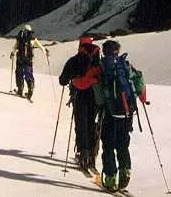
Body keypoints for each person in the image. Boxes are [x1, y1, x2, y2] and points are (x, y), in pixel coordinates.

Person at [94, 39, 147, 192]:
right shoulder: (126, 64)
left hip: (110, 114)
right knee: (123, 145)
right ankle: (125, 171)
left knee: (109, 146)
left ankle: (110, 178)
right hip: (127, 112)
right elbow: (138, 81)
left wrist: (100, 106)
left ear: (105, 51)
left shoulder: (102, 66)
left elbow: (99, 94)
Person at [58, 36, 102, 172]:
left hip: (79, 96)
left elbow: (62, 80)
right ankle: (92, 154)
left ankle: (83, 153)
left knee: (80, 123)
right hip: (95, 97)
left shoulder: (74, 60)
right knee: (91, 123)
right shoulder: (98, 62)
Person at [10, 24, 48, 100]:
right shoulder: (33, 39)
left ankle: (20, 89)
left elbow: (15, 47)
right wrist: (45, 52)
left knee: (19, 73)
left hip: (20, 59)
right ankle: (30, 87)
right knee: (28, 73)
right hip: (29, 60)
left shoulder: (20, 38)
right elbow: (40, 46)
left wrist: (12, 53)